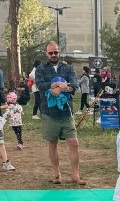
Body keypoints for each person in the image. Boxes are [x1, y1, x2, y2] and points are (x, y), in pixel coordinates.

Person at [35, 42, 84, 185]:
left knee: (74, 143)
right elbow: (40, 85)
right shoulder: (40, 69)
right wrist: (56, 85)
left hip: (66, 113)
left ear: (59, 52)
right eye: (50, 53)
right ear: (46, 54)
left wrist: (61, 89)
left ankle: (75, 175)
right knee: (53, 143)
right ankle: (57, 174)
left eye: (55, 52)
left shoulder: (68, 68)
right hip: (49, 113)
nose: (53, 55)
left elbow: (74, 86)